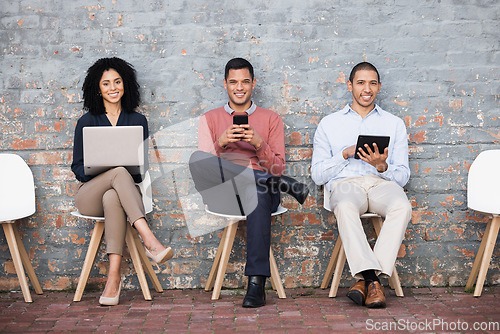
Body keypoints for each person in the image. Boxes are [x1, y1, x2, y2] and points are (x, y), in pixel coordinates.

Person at [189, 58, 309, 308]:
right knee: (197, 159)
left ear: (254, 83)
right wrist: (220, 142)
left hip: (260, 191)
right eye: (233, 82)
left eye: (245, 81)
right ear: (225, 84)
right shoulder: (209, 119)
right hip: (222, 192)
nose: (239, 87)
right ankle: (279, 184)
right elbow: (203, 167)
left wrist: (258, 144)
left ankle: (256, 285)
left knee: (258, 190)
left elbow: (278, 167)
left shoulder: (271, 119)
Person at [71, 57, 173, 306]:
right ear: (98, 88)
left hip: (120, 195)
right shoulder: (86, 122)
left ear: (125, 85)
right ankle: (148, 238)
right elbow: (77, 168)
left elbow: (141, 171)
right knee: (116, 174)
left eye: (117, 81)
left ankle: (113, 279)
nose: (113, 87)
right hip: (89, 195)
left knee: (113, 196)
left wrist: (126, 171)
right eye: (106, 83)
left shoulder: (138, 121)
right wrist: (105, 170)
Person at [311, 62, 412, 308]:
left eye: (372, 83)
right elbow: (317, 175)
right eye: (360, 83)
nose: (367, 89)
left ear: (378, 87)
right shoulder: (329, 123)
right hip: (346, 184)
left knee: (402, 206)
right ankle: (372, 280)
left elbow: (404, 176)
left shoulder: (394, 123)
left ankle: (367, 281)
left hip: (380, 182)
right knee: (345, 206)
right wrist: (344, 154)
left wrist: (382, 166)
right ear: (350, 86)